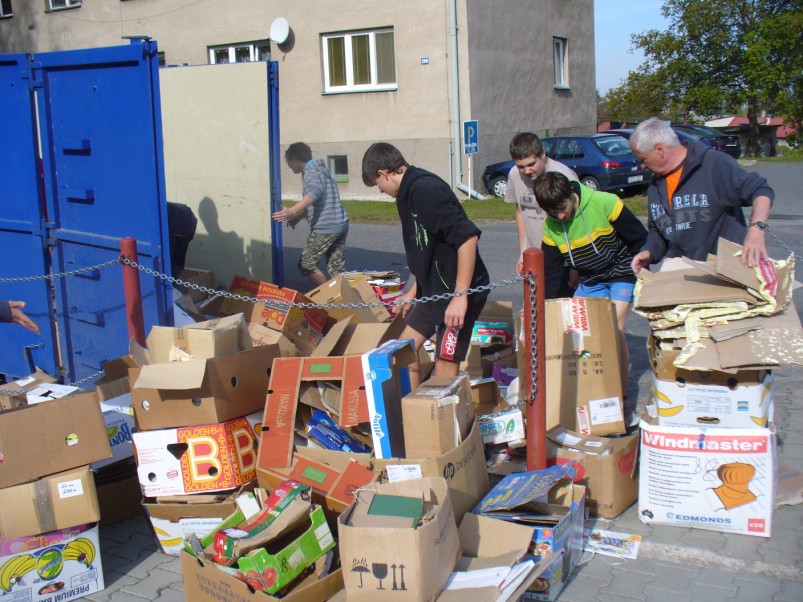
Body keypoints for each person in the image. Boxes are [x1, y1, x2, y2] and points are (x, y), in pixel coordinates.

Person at [361, 142, 489, 388]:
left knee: (444, 368)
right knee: (403, 353)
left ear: (384, 172)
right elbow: (427, 250)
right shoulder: (405, 195)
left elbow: (467, 239)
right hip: (432, 293)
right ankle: (411, 413)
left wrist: (460, 296)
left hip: (460, 292)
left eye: (377, 184)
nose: (379, 191)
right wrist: (412, 292)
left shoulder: (425, 190)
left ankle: (437, 421)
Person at [534, 172, 647, 396]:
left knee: (613, 331)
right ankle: (590, 389)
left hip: (621, 271)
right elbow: (552, 273)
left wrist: (643, 267)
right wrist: (548, 307)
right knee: (578, 333)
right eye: (552, 211)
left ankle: (619, 392)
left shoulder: (605, 202)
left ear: (571, 194)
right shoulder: (551, 226)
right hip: (590, 277)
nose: (560, 214)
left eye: (562, 207)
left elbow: (638, 237)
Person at [628, 117, 773, 275]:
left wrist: (756, 229)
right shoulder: (656, 184)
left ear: (659, 149)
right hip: (681, 269)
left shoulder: (714, 164)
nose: (642, 165)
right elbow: (658, 231)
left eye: (642, 159)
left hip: (722, 270)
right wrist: (648, 252)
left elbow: (760, 190)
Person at [273, 142, 350, 286]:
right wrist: (300, 216)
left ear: (294, 159)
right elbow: (321, 200)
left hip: (326, 227)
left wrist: (291, 211)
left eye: (288, 161)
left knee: (306, 264)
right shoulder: (320, 170)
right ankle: (348, 301)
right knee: (337, 268)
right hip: (340, 224)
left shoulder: (311, 172)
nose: (288, 165)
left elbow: (313, 194)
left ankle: (330, 300)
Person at [505, 132, 579, 278]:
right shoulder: (514, 174)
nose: (527, 171)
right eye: (521, 166)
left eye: (531, 164)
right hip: (534, 255)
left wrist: (575, 266)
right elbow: (521, 211)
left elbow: (576, 221)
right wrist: (523, 253)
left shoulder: (564, 176)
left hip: (562, 258)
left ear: (543, 154)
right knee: (535, 300)